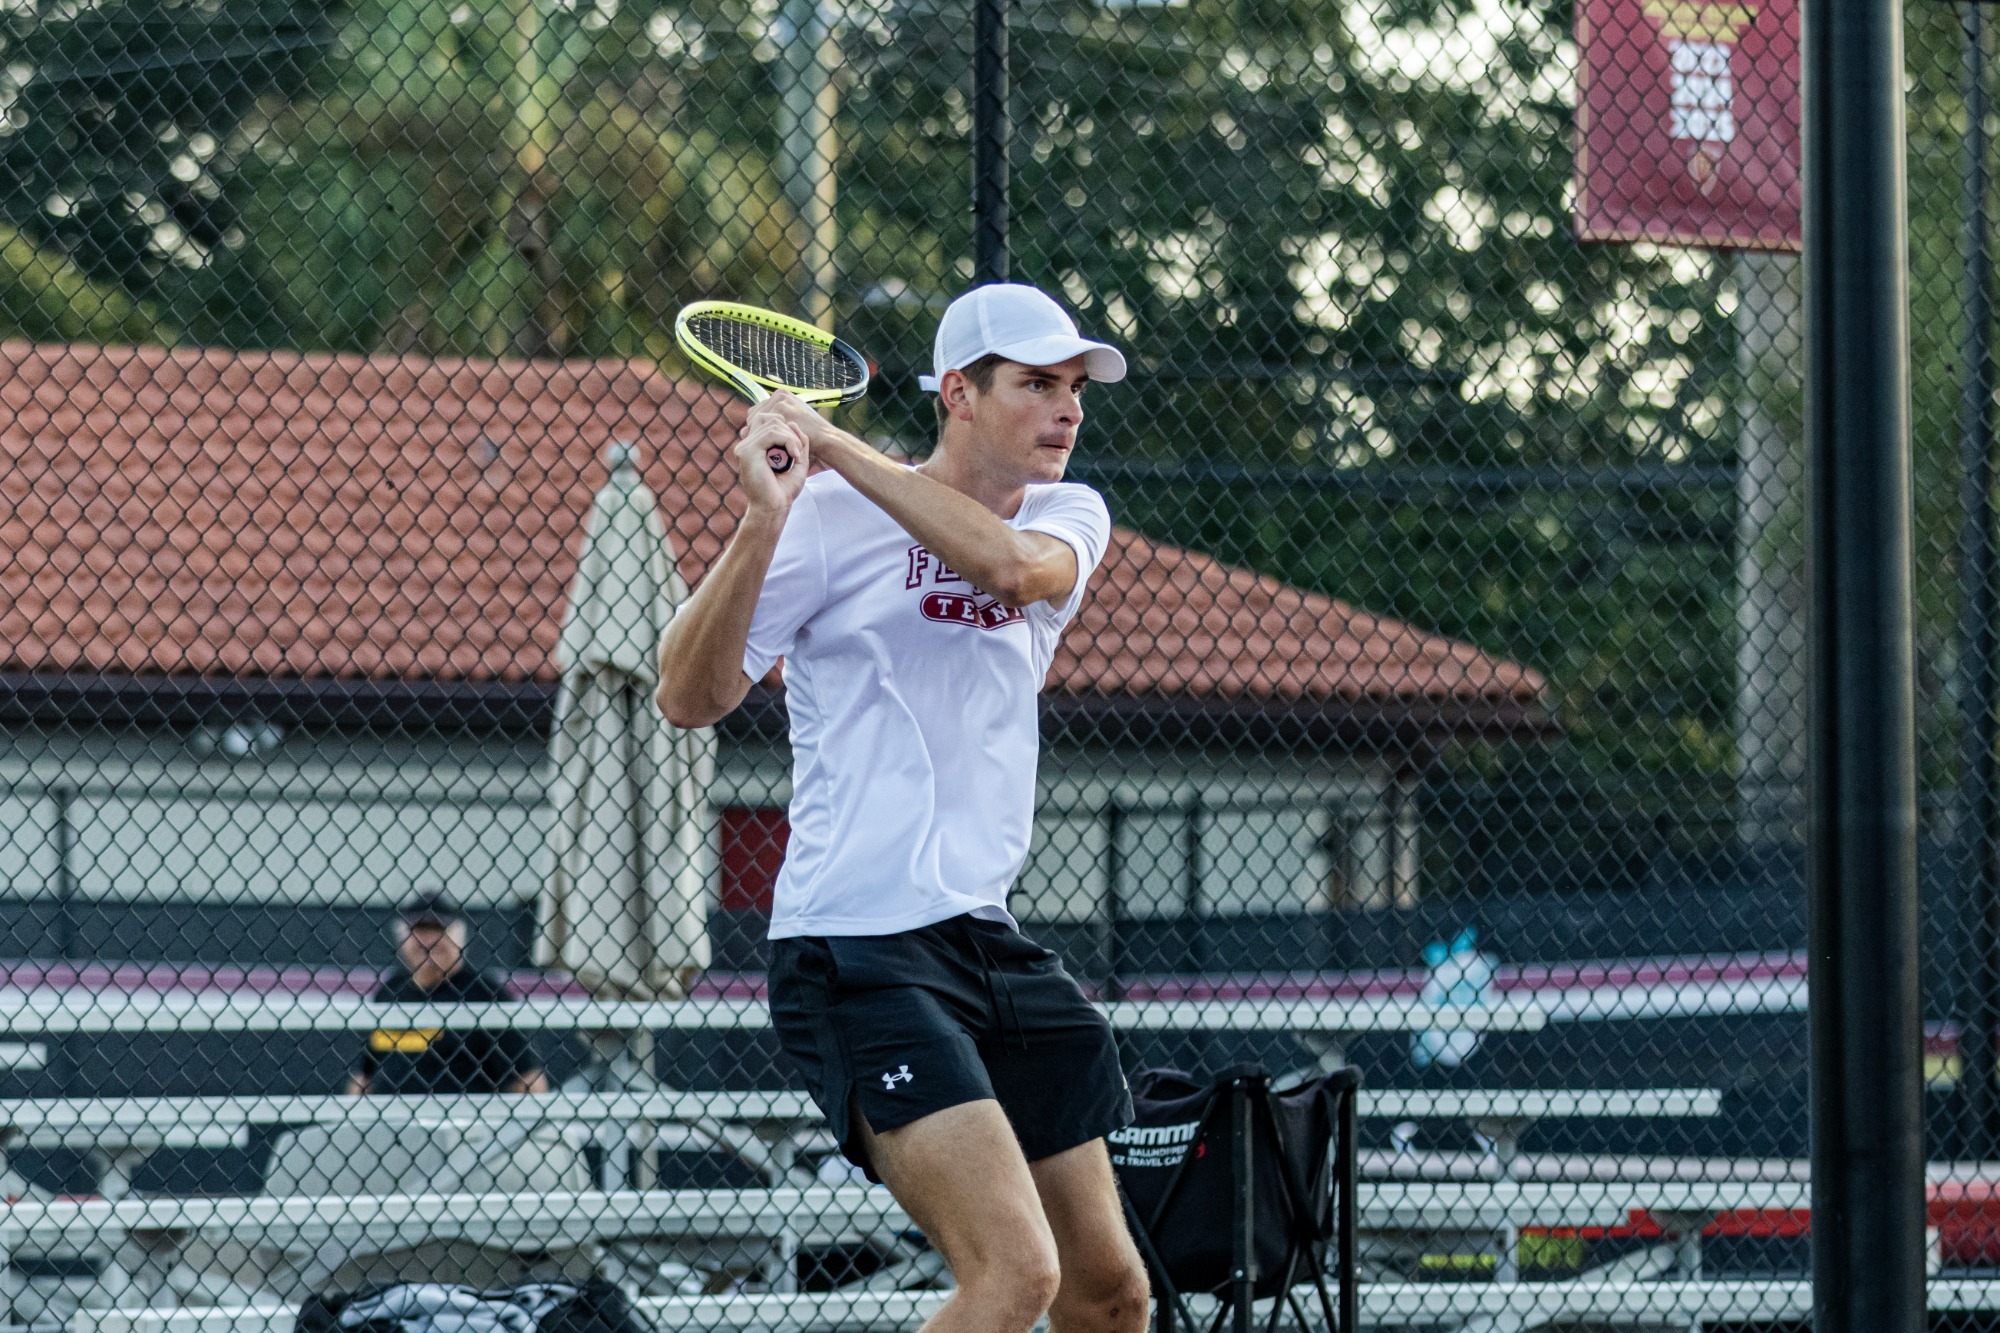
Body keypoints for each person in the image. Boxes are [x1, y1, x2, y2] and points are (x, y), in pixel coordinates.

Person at [657, 284, 1149, 1333]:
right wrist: (762, 519)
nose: (1065, 408)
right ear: (959, 394)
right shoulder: (825, 524)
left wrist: (833, 450)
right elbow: (686, 696)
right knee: (1014, 1273)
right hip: (857, 944)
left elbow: (1008, 569)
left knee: (1109, 1293)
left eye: (1073, 388)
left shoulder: (1067, 515)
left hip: (983, 939)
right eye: (1035, 385)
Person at [346, 890, 549, 1096]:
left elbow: (528, 1079)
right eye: (419, 930)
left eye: (437, 929)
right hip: (390, 1121)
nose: (428, 941)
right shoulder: (390, 992)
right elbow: (364, 1074)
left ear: (457, 936)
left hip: (461, 1122)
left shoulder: (484, 995)